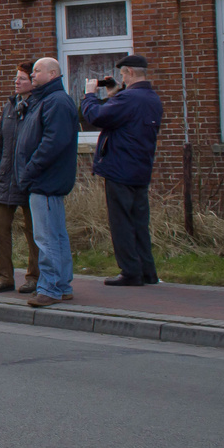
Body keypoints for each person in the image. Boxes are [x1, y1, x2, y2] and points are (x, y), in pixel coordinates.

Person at [81, 54, 164, 287]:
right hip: (140, 167)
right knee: (139, 222)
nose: (122, 78)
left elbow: (95, 116)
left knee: (121, 223)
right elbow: (125, 120)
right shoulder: (151, 98)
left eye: (123, 74)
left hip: (119, 168)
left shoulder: (129, 98)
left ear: (128, 72)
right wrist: (115, 94)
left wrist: (89, 94)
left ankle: (130, 272)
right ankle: (148, 272)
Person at [15, 57, 79, 308]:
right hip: (44, 179)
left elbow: (52, 143)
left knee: (47, 237)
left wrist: (30, 169)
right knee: (56, 236)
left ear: (53, 74)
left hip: (46, 180)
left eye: (37, 71)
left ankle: (50, 287)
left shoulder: (56, 102)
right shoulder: (44, 101)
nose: (32, 74)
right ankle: (62, 286)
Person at [0, 62, 41, 294]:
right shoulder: (9, 107)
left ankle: (34, 278)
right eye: (16, 78)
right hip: (6, 176)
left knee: (34, 231)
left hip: (29, 179)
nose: (16, 82)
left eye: (22, 78)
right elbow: (0, 143)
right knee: (0, 227)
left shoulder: (40, 107)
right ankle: (4, 277)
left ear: (33, 82)